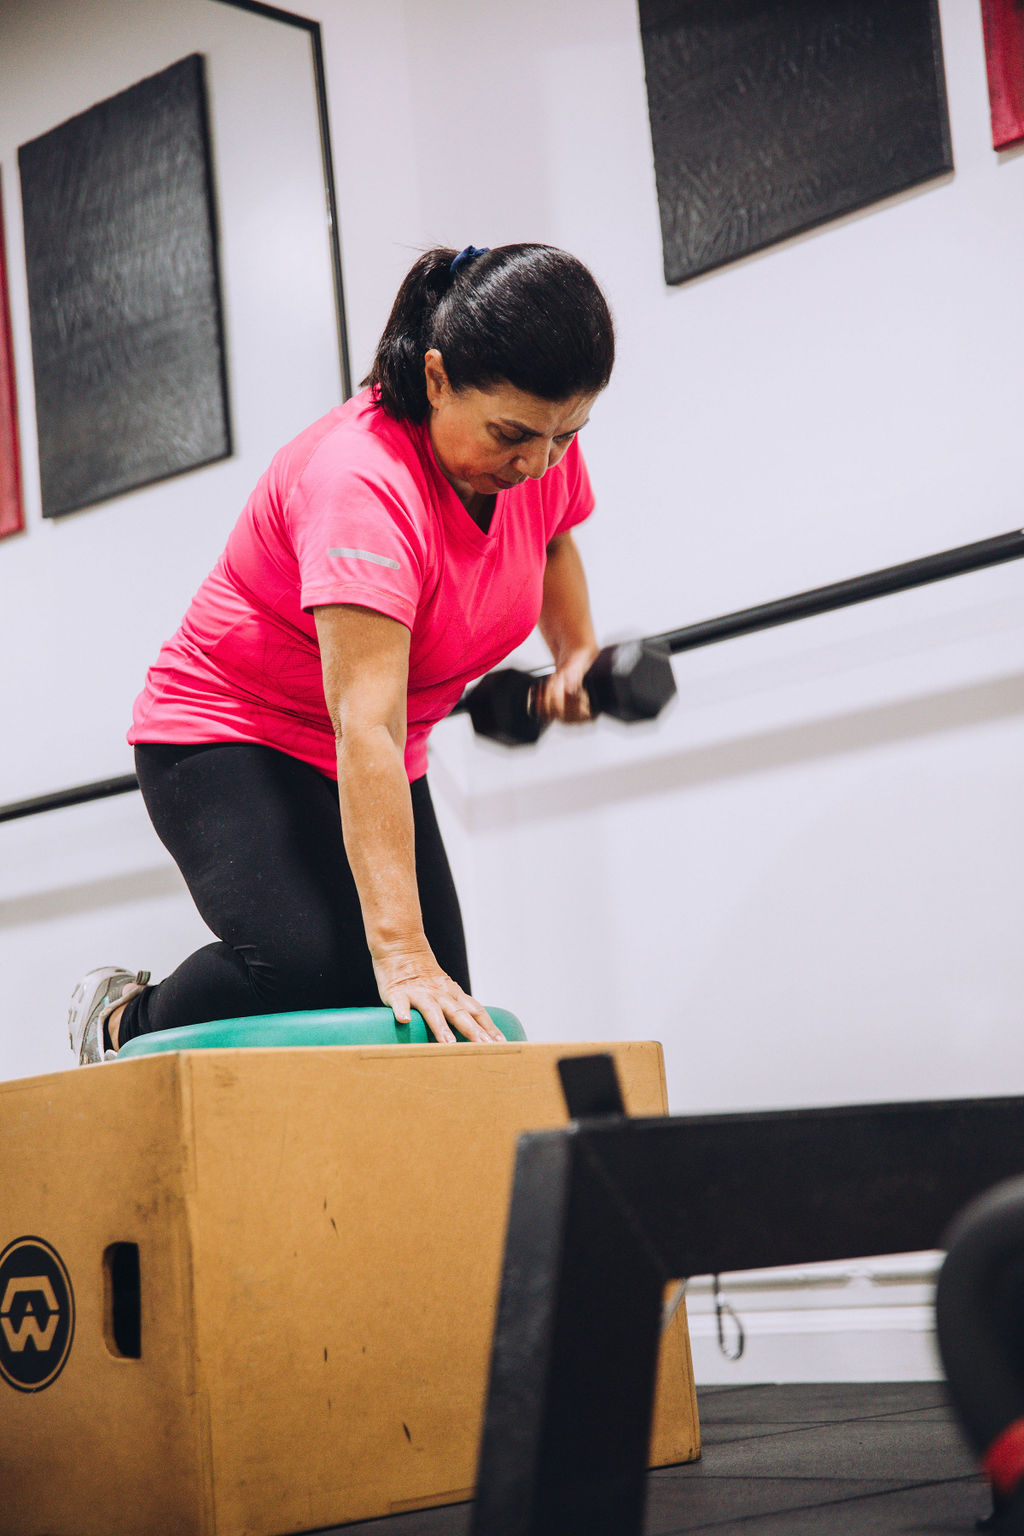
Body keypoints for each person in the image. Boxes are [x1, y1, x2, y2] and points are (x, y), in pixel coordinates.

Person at [67, 243, 615, 1064]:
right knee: (317, 970)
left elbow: (554, 540)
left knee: (439, 1018)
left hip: (385, 745)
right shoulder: (359, 483)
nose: (538, 462)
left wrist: (575, 653)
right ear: (435, 379)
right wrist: (397, 952)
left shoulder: (533, 453)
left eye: (565, 435)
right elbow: (366, 727)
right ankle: (119, 1019)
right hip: (227, 732)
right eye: (513, 435)